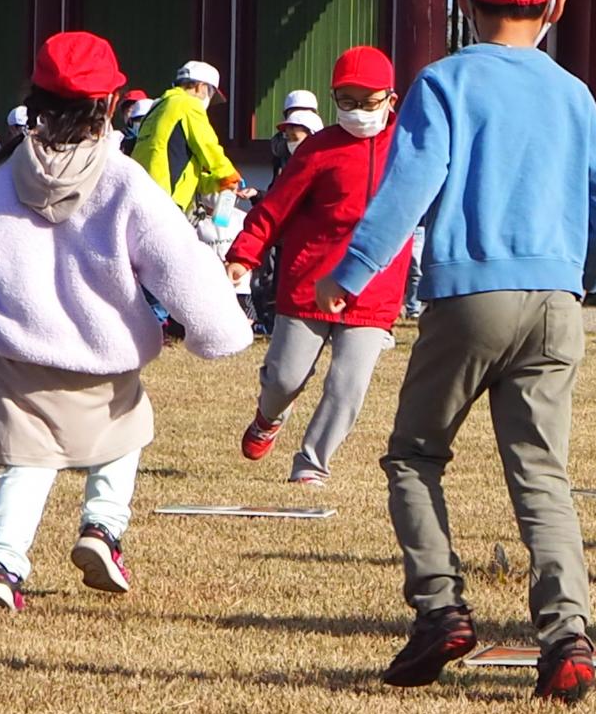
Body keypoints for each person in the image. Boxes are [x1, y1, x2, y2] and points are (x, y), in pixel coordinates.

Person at [315, 0, 596, 704]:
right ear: (557, 2)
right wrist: (575, 275)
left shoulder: (446, 82)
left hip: (468, 294)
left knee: (414, 455)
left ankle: (440, 608)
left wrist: (350, 271)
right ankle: (566, 636)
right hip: (557, 299)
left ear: (466, 1)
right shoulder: (572, 93)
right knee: (541, 476)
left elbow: (409, 189)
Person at [0, 32, 250, 611]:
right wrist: (218, 329)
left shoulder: (5, 176)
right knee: (124, 433)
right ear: (110, 103)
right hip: (105, 353)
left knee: (28, 462)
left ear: (36, 97)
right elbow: (176, 258)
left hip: (18, 353)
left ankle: (1, 567)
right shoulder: (123, 177)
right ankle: (102, 529)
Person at [230, 47, 408, 484]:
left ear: (391, 99)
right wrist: (243, 253)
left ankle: (311, 464)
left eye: (368, 102)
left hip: (375, 288)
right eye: (346, 102)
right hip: (310, 281)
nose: (358, 112)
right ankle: (268, 417)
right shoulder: (318, 149)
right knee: (285, 378)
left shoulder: (411, 148)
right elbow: (275, 208)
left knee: (348, 387)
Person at [130, 59, 243, 212]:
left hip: (139, 193)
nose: (208, 100)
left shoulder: (156, 108)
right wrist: (229, 175)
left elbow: (188, 169)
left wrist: (219, 184)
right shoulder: (188, 104)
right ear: (200, 87)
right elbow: (208, 145)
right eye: (210, 94)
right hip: (165, 200)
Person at [268, 88, 321, 184]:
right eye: (294, 113)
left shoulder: (326, 145)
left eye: (305, 113)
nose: (298, 117)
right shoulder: (279, 145)